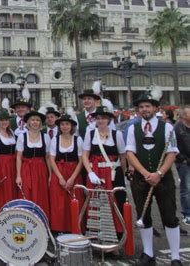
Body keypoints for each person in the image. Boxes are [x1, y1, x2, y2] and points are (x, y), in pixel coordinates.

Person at [126, 92, 182, 266]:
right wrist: (144, 173)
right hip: (141, 180)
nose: (144, 109)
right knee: (144, 216)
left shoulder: (167, 128)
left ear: (156, 108)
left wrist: (159, 174)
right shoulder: (132, 129)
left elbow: (172, 152)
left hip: (164, 179)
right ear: (138, 110)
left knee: (170, 217)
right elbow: (129, 153)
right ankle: (148, 253)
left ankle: (175, 257)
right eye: (141, 107)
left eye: (148, 106)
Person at [82, 105, 127, 238]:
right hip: (96, 174)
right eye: (99, 118)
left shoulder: (117, 134)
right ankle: (96, 237)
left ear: (109, 120)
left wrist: (120, 173)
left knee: (115, 204)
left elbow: (123, 156)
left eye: (104, 118)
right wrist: (90, 173)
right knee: (96, 204)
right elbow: (85, 155)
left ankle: (116, 238)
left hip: (112, 175)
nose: (101, 121)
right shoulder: (90, 134)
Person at [48, 114, 83, 233]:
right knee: (58, 203)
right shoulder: (55, 140)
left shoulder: (78, 140)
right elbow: (52, 159)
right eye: (62, 124)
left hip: (74, 173)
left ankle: (75, 228)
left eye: (67, 124)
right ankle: (59, 230)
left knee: (74, 201)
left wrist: (72, 178)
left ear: (72, 126)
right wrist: (60, 177)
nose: (65, 126)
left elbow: (81, 161)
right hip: (59, 173)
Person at [16, 110, 51, 219]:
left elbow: (48, 157)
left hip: (41, 170)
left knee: (41, 195)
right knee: (26, 194)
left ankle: (41, 221)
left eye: (37, 120)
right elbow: (18, 157)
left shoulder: (45, 137)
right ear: (28, 122)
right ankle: (26, 221)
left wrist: (50, 174)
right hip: (26, 170)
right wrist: (18, 175)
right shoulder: (22, 136)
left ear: (40, 123)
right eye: (33, 120)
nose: (35, 122)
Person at [174, 106, 190, 225]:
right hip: (184, 163)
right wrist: (182, 159)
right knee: (186, 188)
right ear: (184, 115)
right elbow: (174, 147)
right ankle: (187, 213)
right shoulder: (177, 128)